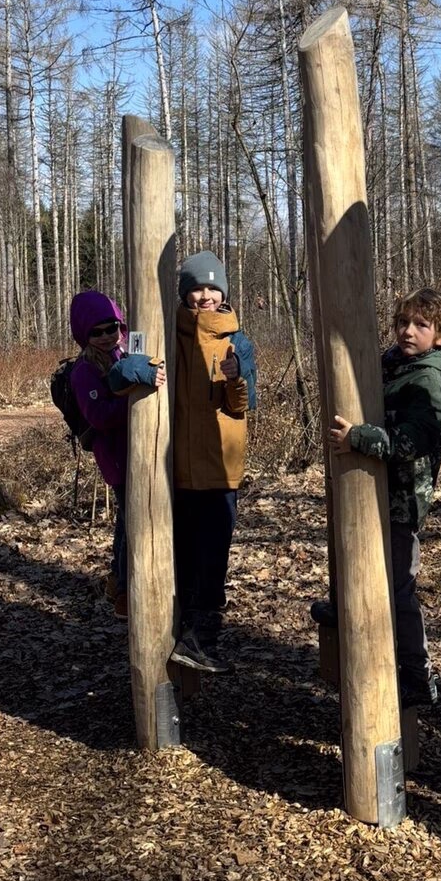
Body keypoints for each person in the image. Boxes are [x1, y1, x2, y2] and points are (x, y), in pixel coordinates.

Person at [328, 287, 441, 708]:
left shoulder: (430, 378)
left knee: (400, 587)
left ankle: (416, 674)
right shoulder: (393, 364)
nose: (408, 331)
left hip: (403, 498)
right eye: (403, 322)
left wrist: (360, 438)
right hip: (370, 492)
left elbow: (415, 439)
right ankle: (344, 614)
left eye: (421, 325)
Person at [168, 251, 257, 674]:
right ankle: (176, 635)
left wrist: (236, 378)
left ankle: (202, 639)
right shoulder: (168, 334)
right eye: (196, 288)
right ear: (184, 293)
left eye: (212, 288)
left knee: (213, 560)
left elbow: (242, 406)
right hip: (175, 469)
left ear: (223, 292)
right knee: (181, 559)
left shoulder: (238, 340)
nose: (205, 296)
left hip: (221, 469)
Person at [68, 290, 165, 620]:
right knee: (130, 520)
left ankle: (116, 578)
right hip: (116, 457)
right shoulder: (84, 371)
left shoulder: (123, 353)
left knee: (127, 520)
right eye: (97, 332)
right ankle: (125, 590)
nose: (107, 336)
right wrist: (137, 398)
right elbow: (99, 415)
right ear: (84, 335)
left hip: (136, 450)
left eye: (112, 328)